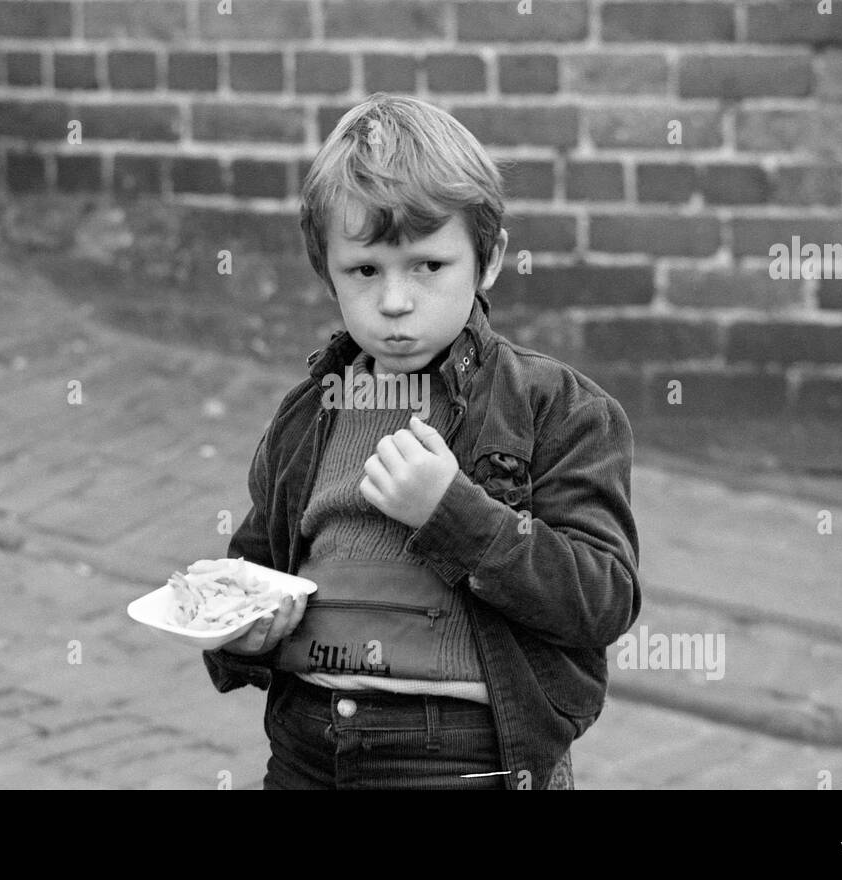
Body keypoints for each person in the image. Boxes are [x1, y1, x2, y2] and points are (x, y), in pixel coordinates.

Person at [201, 93, 641, 790]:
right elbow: (254, 567)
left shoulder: (555, 408)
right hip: (306, 749)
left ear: (488, 260)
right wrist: (239, 635)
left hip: (458, 754)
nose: (396, 300)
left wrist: (454, 515)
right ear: (327, 271)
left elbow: (602, 599)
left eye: (428, 266)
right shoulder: (305, 416)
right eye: (365, 270)